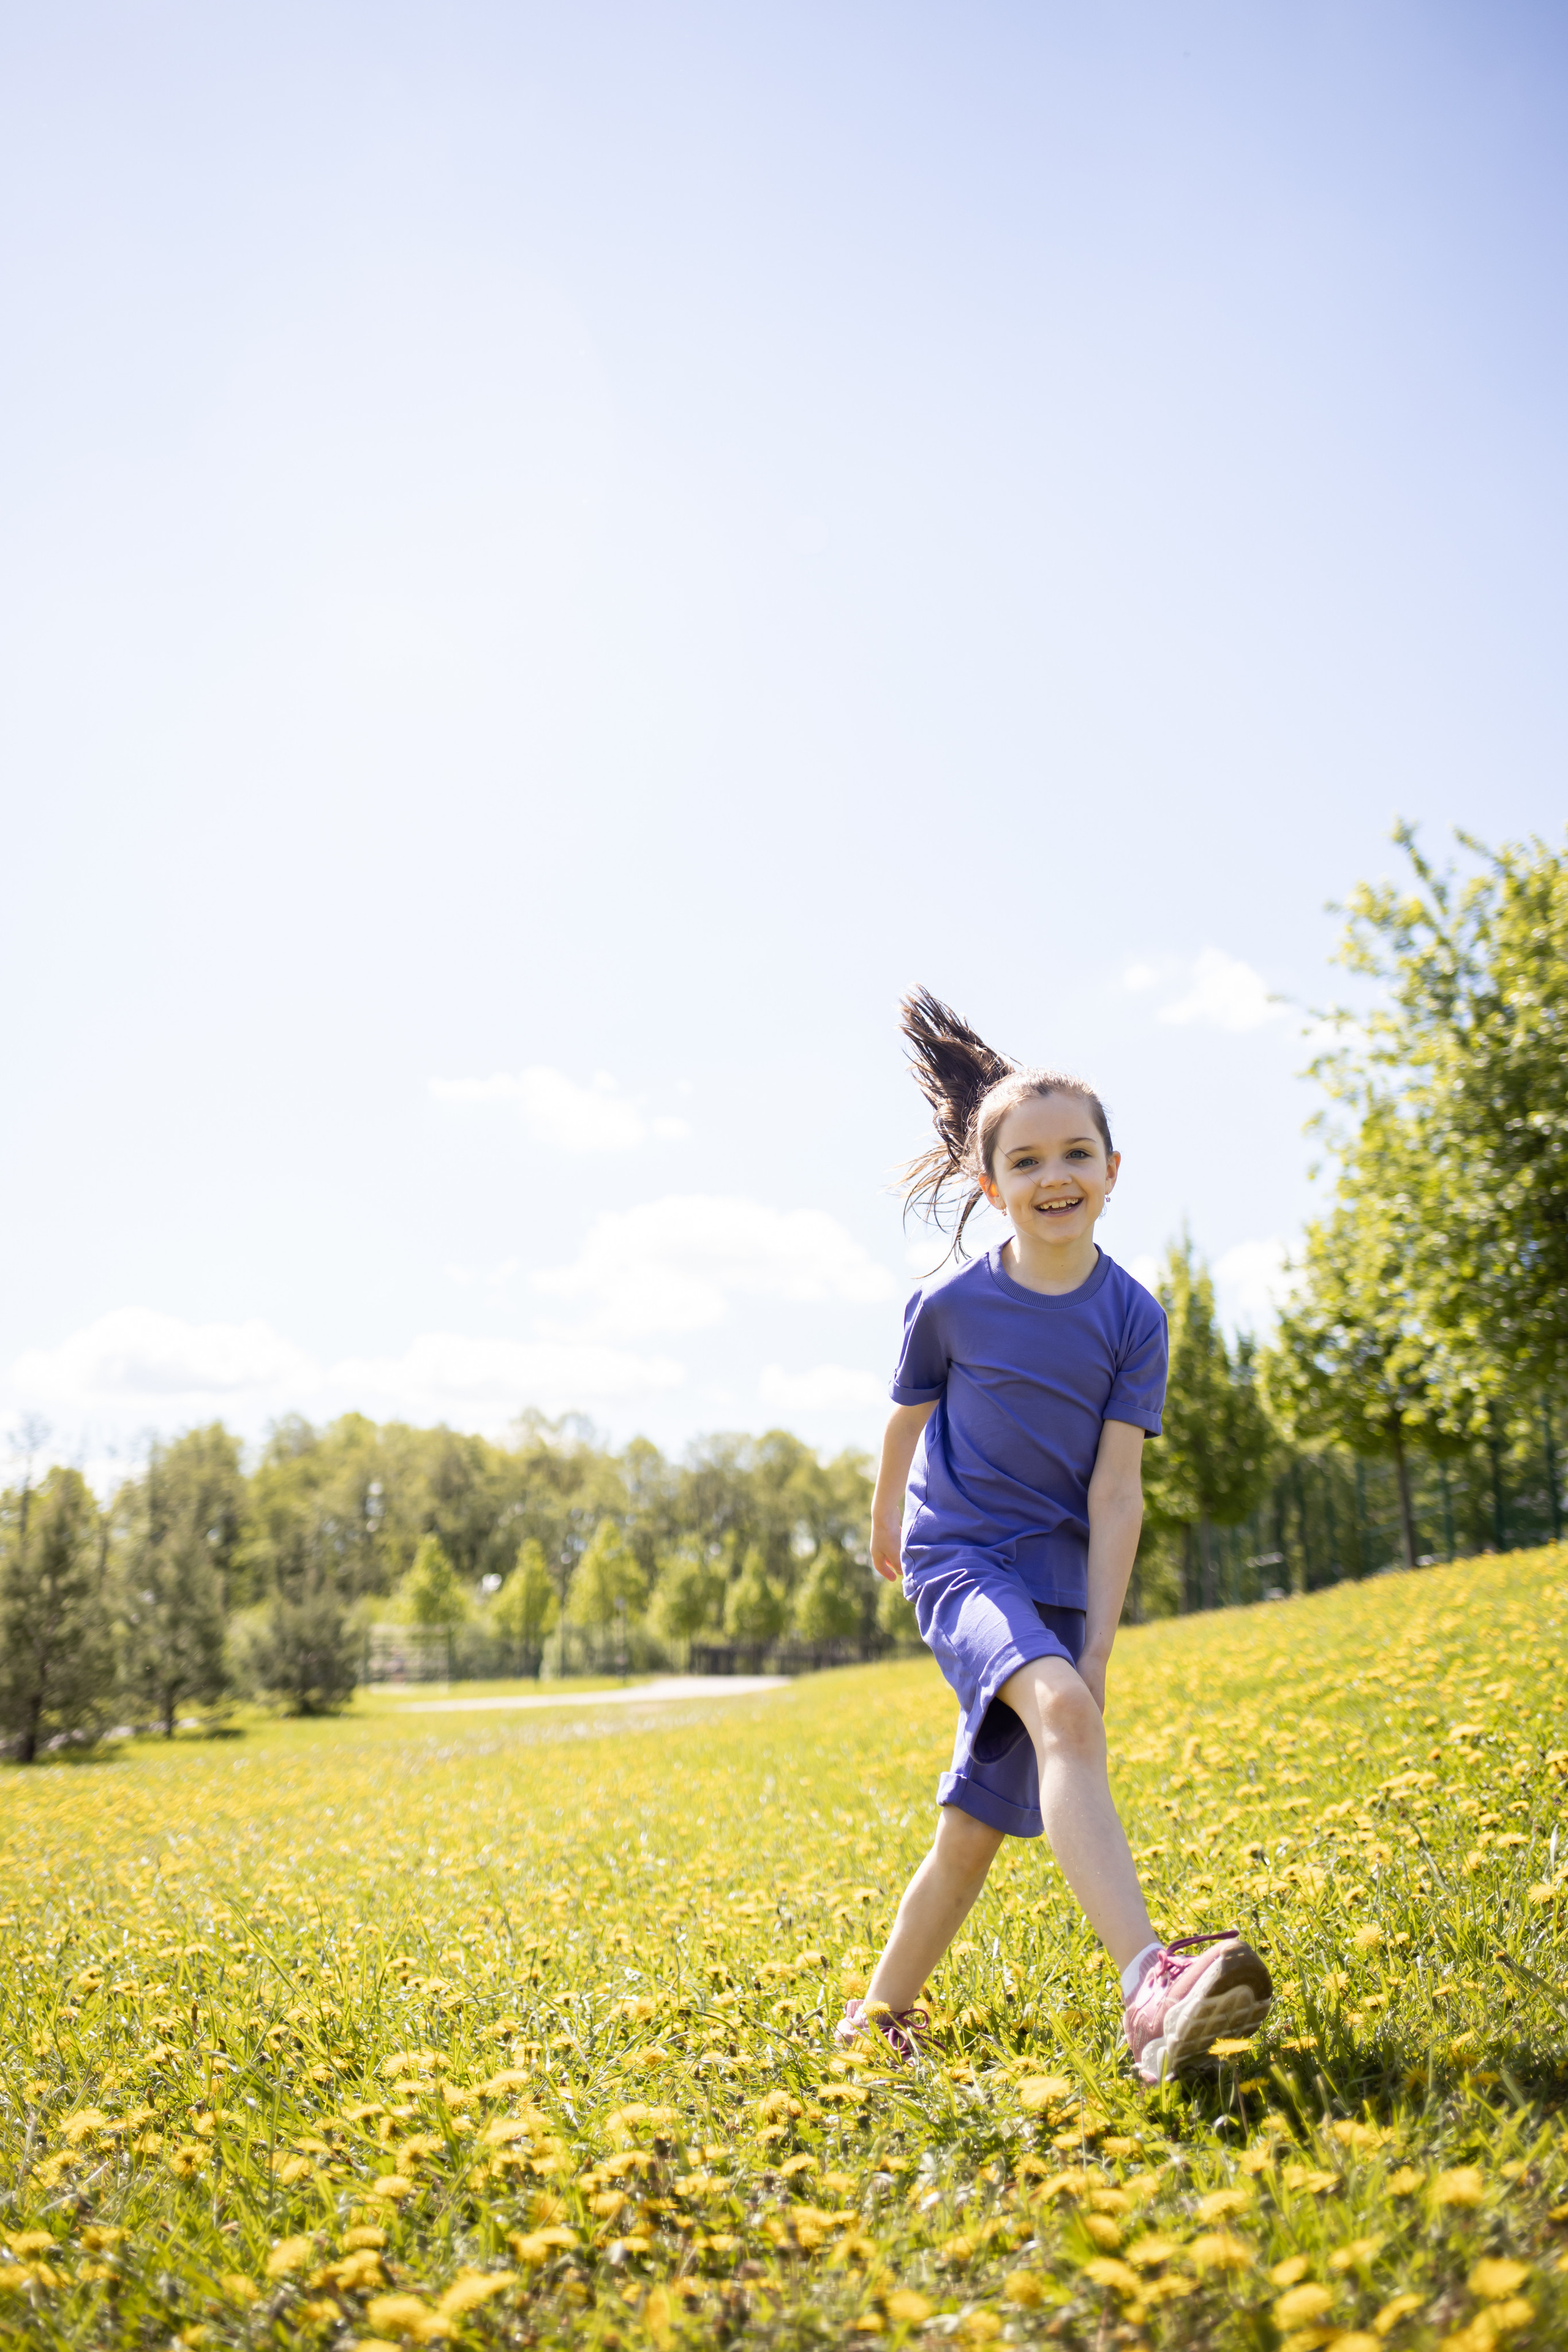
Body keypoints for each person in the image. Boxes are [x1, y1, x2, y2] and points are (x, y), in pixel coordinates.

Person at [839, 989, 1272, 2085]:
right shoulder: (951, 1305)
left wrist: (1098, 1647)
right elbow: (908, 1414)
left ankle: (877, 2018)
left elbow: (1117, 1494)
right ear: (991, 1189)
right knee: (1064, 1717)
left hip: (1060, 1576)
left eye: (1076, 1152)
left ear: (1115, 1172)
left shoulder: (1134, 1317)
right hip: (964, 1560)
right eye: (1026, 1162)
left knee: (975, 1829)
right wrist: (887, 1518)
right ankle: (1150, 1987)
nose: (1054, 1175)